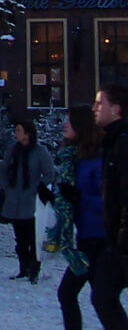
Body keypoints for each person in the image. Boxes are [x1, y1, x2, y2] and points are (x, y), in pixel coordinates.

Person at [53, 104, 105, 330]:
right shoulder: (74, 159)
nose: (64, 125)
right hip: (85, 238)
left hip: (99, 240)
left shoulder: (96, 161)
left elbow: (109, 202)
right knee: (95, 298)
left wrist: (78, 198)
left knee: (97, 298)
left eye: (69, 121)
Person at [0, 118, 55, 284]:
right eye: (15, 130)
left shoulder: (40, 152)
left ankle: (34, 269)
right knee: (20, 239)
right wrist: (7, 187)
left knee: (33, 238)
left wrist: (37, 188)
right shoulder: (12, 150)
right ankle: (23, 268)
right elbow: (4, 170)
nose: (16, 134)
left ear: (28, 133)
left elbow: (49, 173)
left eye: (19, 130)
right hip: (14, 200)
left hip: (31, 201)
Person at [91, 83, 128, 329]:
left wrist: (123, 239)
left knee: (103, 294)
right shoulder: (113, 141)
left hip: (124, 243)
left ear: (115, 109)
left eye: (99, 103)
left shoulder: (123, 143)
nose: (94, 108)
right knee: (102, 294)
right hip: (117, 242)